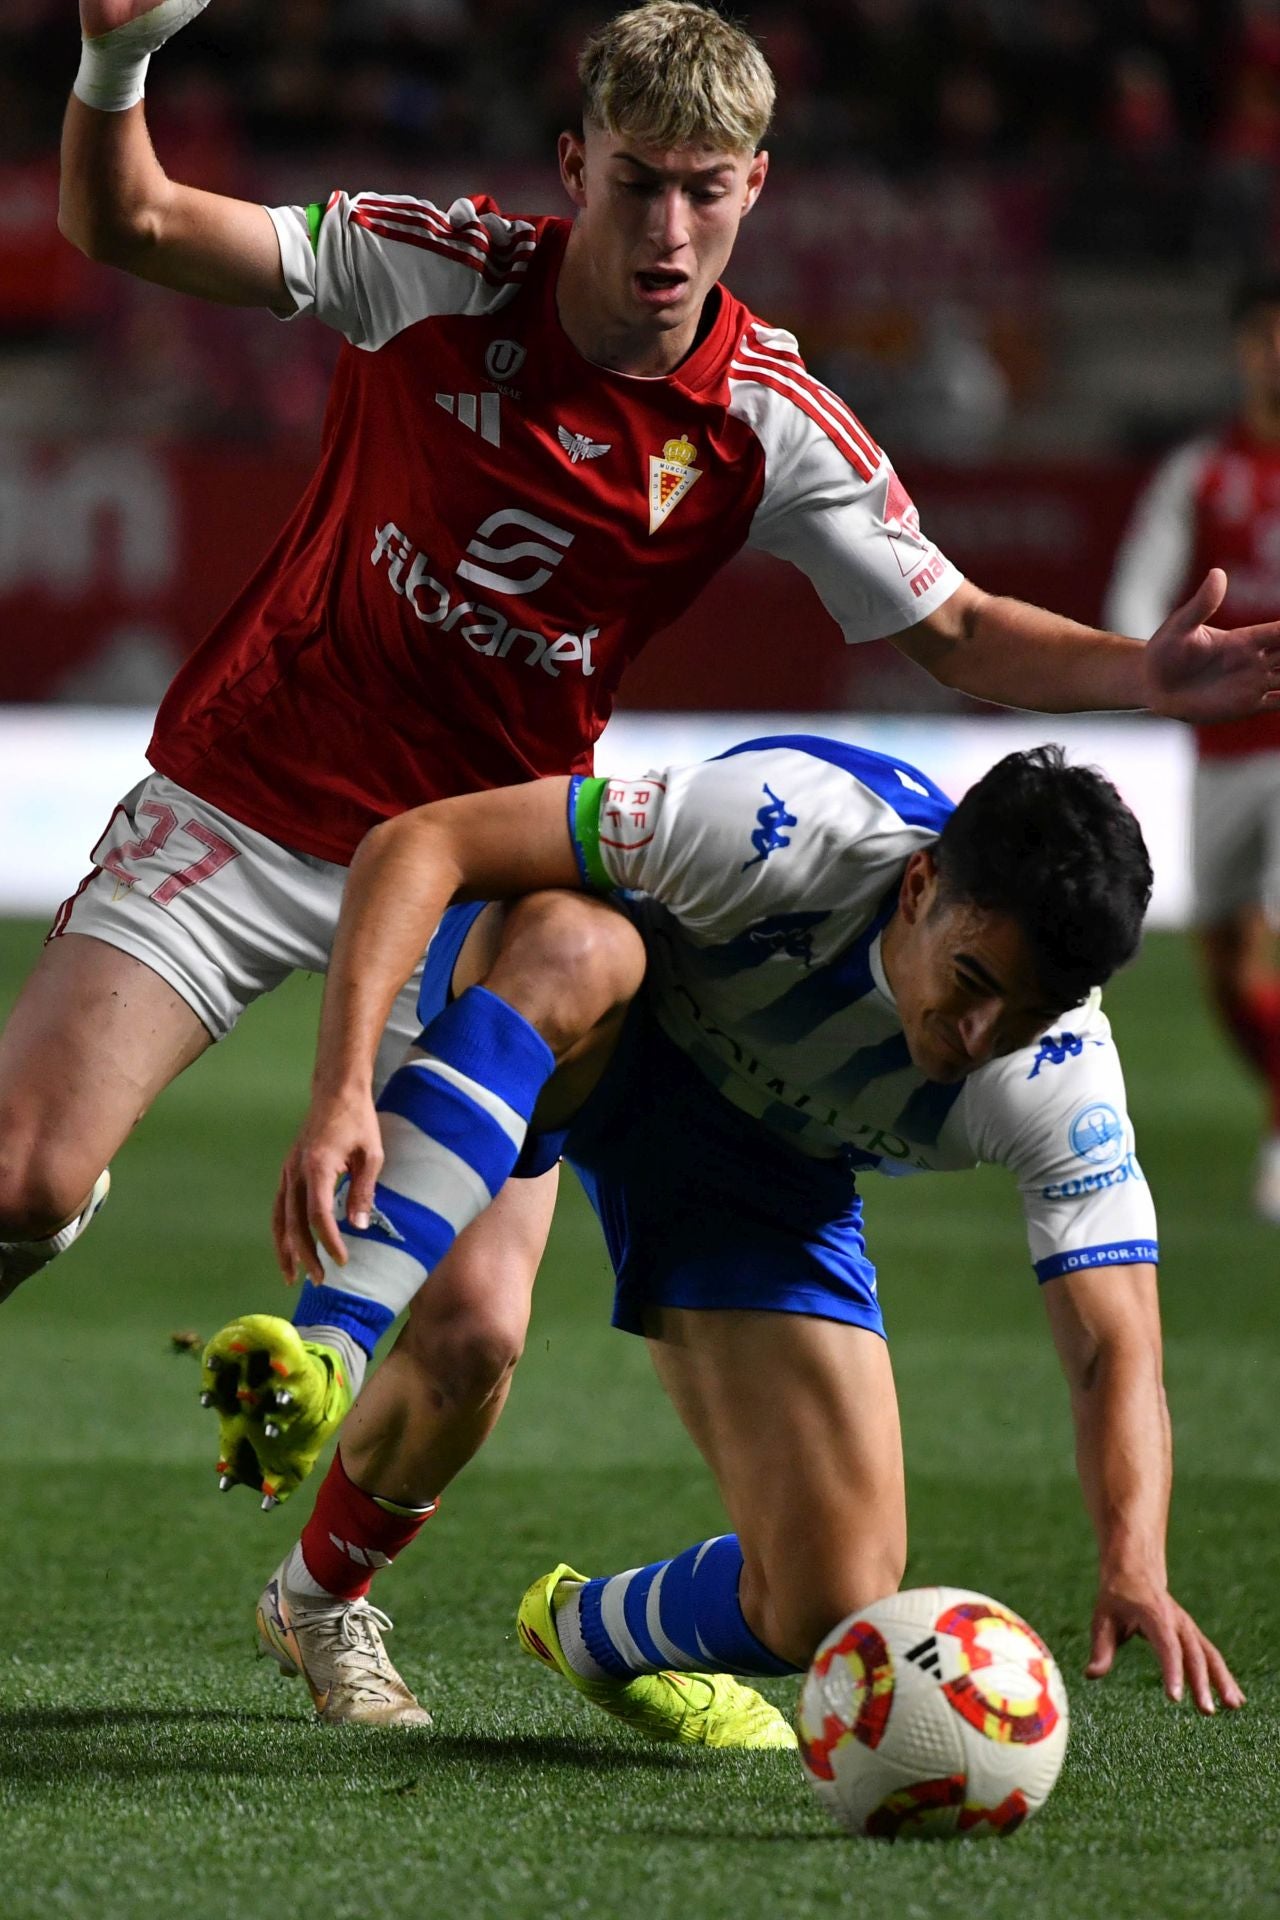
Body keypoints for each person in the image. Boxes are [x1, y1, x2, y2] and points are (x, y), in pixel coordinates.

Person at [3, 0, 1275, 1729]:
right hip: (252, 795)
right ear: (572, 169)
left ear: (755, 186)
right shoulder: (437, 268)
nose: (668, 233)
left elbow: (959, 625)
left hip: (488, 864)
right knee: (21, 1180)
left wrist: (1144, 671)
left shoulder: (768, 421)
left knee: (472, 1338)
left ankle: (319, 1605)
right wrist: (115, 63)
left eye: (705, 194)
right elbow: (131, 221)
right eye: (637, 188)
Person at [224, 734, 1243, 1738]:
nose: (978, 1038)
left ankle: (587, 1633)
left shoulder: (1058, 1078)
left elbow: (1114, 1345)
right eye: (972, 981)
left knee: (829, 1599)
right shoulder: (781, 827)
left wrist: (1132, 1564)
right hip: (583, 1016)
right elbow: (423, 840)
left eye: (1026, 1013)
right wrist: (342, 1088)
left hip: (759, 1171)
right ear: (919, 884)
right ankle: (323, 1377)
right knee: (473, 1327)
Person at [1107, 276, 1280, 1223]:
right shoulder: (1202, 473)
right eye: (1264, 339)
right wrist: (1158, 669)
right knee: (1224, 969)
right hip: (1224, 756)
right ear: (1242, 351)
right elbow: (1136, 605)